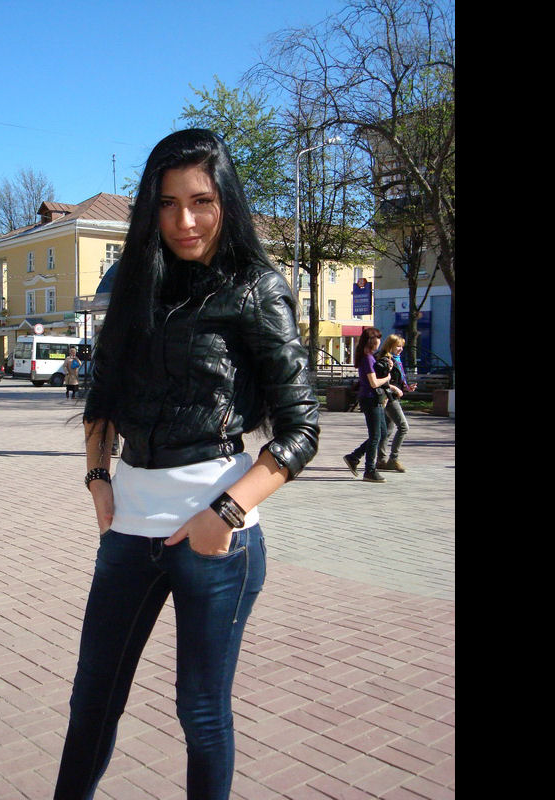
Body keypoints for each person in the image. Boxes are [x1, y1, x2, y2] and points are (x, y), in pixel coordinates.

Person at [53, 129, 320, 800]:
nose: (185, 221)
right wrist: (98, 479)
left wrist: (224, 514)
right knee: (92, 701)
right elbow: (102, 398)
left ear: (225, 201)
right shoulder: (135, 284)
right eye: (168, 204)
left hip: (215, 536)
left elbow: (302, 429)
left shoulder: (256, 289)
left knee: (200, 713)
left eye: (201, 201)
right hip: (129, 529)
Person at [343, 327, 392, 482]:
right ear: (372, 341)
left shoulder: (369, 357)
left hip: (373, 399)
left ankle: (354, 457)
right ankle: (369, 470)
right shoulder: (368, 358)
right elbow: (374, 383)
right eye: (378, 339)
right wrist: (387, 378)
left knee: (382, 433)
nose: (379, 342)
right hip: (370, 399)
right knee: (375, 435)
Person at [375, 334, 417, 472]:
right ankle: (393, 459)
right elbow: (381, 381)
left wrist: (406, 387)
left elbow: (396, 379)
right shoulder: (386, 360)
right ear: (390, 346)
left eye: (402, 347)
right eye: (398, 346)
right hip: (389, 397)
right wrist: (395, 388)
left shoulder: (396, 360)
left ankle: (381, 460)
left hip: (393, 396)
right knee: (403, 427)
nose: (401, 349)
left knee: (387, 431)